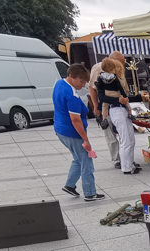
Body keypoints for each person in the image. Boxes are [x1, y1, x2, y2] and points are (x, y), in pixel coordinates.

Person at [54, 64, 102, 201]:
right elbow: (75, 120)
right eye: (81, 81)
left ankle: (69, 185)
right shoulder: (72, 95)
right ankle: (90, 193)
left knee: (78, 159)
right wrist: (85, 140)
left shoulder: (59, 84)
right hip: (72, 132)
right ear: (71, 77)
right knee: (86, 162)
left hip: (61, 129)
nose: (82, 85)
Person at [96, 57, 143, 175]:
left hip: (120, 109)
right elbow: (102, 99)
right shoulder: (102, 80)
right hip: (116, 110)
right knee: (126, 140)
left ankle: (130, 163)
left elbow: (121, 93)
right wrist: (120, 99)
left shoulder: (114, 79)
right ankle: (126, 167)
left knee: (130, 139)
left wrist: (125, 100)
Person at [88, 50, 124, 169]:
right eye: (121, 62)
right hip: (104, 104)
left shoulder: (118, 69)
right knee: (110, 133)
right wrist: (95, 107)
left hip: (116, 103)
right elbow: (92, 88)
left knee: (122, 131)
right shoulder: (99, 68)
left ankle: (124, 156)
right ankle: (117, 159)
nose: (122, 65)